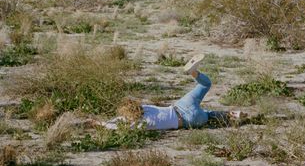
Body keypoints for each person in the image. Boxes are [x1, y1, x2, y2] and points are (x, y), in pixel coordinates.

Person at [91, 54, 246, 131]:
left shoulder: (140, 124)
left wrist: (98, 123)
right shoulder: (146, 107)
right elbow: (119, 119)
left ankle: (233, 114)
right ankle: (194, 73)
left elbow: (115, 125)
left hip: (189, 121)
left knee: (207, 114)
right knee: (205, 85)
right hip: (181, 106)